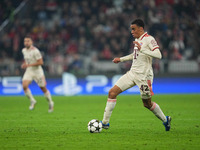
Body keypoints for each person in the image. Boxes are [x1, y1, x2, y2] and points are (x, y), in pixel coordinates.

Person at [101, 19, 171, 131]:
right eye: (131, 29)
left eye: (133, 29)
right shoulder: (137, 39)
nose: (131, 31)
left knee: (147, 104)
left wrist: (143, 49)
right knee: (112, 93)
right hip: (132, 73)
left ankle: (165, 120)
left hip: (144, 77)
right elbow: (135, 54)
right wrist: (121, 59)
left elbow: (159, 55)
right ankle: (105, 123)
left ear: (141, 28)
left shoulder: (149, 39)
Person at [21, 36, 54, 112]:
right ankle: (32, 101)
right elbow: (28, 61)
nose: (26, 42)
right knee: (24, 86)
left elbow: (41, 62)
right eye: (25, 41)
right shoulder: (24, 50)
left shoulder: (36, 51)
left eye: (28, 41)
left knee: (43, 88)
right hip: (29, 71)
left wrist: (28, 65)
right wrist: (25, 64)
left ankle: (50, 102)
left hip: (37, 72)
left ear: (31, 42)